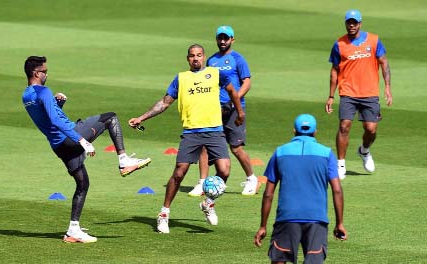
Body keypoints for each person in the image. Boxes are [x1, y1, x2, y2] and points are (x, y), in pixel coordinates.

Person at [22, 56, 151, 243]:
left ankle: (73, 230)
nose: (47, 75)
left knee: (83, 184)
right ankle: (124, 161)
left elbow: (47, 118)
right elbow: (57, 121)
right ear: (36, 73)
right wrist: (82, 140)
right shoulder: (43, 92)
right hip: (70, 137)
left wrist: (57, 104)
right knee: (110, 118)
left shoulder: (27, 95)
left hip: (58, 146)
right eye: (45, 71)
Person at [128, 44, 244, 234]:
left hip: (214, 130)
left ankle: (208, 203)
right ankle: (164, 213)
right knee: (179, 173)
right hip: (192, 132)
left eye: (199, 55)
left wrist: (240, 112)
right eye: (192, 56)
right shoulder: (181, 78)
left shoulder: (216, 74)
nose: (196, 58)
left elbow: (232, 91)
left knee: (224, 169)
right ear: (187, 59)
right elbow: (165, 102)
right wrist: (141, 117)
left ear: (204, 57)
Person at [254, 114, 346, 264]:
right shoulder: (326, 154)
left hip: (286, 217)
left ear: (294, 130)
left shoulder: (280, 152)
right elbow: (337, 190)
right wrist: (339, 223)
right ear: (315, 131)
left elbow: (268, 194)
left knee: (279, 260)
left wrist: (263, 226)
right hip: (317, 218)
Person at [188, 25, 257, 197]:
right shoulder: (211, 61)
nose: (223, 41)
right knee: (204, 145)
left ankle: (251, 179)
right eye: (220, 38)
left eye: (226, 38)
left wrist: (235, 100)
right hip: (215, 109)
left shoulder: (238, 59)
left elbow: (246, 82)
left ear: (232, 39)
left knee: (236, 147)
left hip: (234, 109)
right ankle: (202, 183)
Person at [325, 9, 392, 179]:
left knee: (371, 129)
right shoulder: (339, 44)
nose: (352, 25)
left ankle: (364, 150)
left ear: (360, 23)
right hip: (348, 92)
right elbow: (334, 70)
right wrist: (331, 96)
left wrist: (388, 87)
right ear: (346, 23)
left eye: (355, 22)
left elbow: (384, 63)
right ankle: (341, 164)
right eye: (349, 22)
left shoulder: (374, 40)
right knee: (344, 126)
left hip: (370, 92)